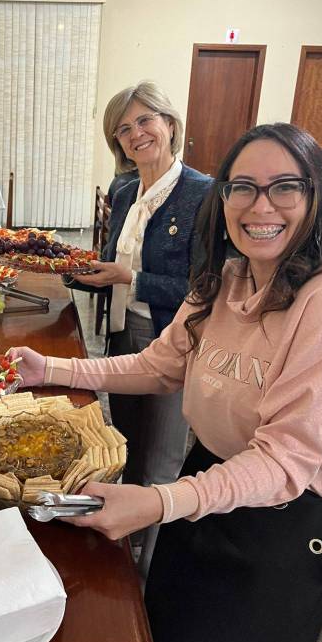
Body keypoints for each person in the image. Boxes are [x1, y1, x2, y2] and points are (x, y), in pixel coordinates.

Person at [10, 123, 322, 642]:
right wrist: (50, 369)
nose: (261, 206)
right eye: (243, 186)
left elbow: (282, 462)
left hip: (283, 518)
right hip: (205, 475)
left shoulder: (320, 302)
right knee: (158, 625)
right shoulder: (225, 279)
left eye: (285, 187)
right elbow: (157, 366)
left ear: (315, 196)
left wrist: (158, 502)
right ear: (223, 197)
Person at [65, 81, 212, 579]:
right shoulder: (126, 190)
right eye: (123, 129)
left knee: (161, 462)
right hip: (123, 333)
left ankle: (149, 574)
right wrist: (73, 271)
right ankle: (122, 544)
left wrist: (131, 277)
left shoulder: (203, 194)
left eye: (145, 120)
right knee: (126, 442)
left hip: (175, 343)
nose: (135, 134)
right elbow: (110, 265)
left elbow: (205, 287)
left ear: (169, 124)